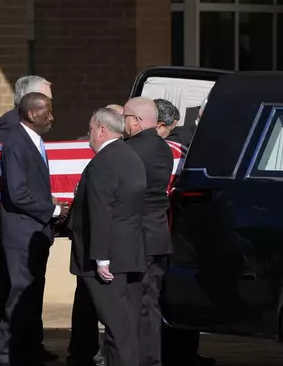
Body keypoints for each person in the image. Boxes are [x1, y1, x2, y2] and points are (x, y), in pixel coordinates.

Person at [0, 76, 58, 362]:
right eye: (47, 106)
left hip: (35, 229)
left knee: (30, 295)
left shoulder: (32, 139)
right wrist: (51, 210)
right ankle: (1, 356)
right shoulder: (12, 134)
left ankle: (25, 350)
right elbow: (17, 190)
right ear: (31, 109)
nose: (52, 115)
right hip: (21, 230)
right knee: (17, 297)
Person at [67, 107, 146, 366]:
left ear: (101, 130)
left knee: (116, 326)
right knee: (125, 326)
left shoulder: (103, 162)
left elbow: (101, 212)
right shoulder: (130, 156)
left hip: (108, 257)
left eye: (90, 129)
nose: (89, 134)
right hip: (129, 253)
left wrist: (101, 258)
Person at [157, 98, 216, 366]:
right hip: (181, 231)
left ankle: (180, 353)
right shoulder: (191, 144)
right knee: (182, 294)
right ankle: (181, 354)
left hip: (172, 230)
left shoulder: (183, 141)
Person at [123, 97, 174, 366]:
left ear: (136, 121)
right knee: (151, 305)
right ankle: (152, 360)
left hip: (136, 238)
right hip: (157, 236)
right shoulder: (164, 148)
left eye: (125, 118)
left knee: (132, 305)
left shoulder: (129, 150)